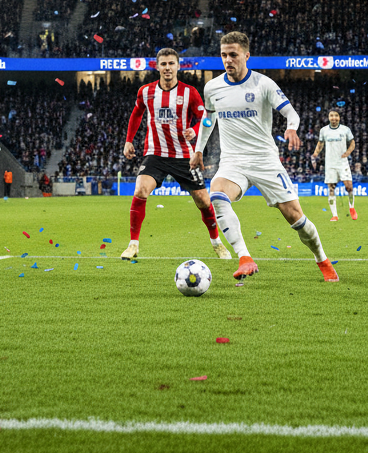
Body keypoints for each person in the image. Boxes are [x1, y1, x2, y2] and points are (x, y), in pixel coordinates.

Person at [191, 31, 339, 282]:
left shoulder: (264, 84)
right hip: (233, 160)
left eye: (233, 55)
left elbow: (291, 113)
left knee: (295, 216)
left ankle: (322, 259)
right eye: (224, 55)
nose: (228, 60)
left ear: (247, 56)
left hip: (264, 160)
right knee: (216, 195)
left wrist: (291, 127)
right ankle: (244, 258)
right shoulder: (212, 87)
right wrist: (198, 148)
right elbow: (209, 118)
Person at [121, 48, 230, 261]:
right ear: (157, 67)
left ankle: (217, 243)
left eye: (171, 63)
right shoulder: (146, 91)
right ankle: (133, 244)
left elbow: (206, 119)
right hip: (155, 154)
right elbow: (136, 114)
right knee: (141, 189)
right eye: (163, 64)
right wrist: (128, 140)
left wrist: (195, 130)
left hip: (183, 156)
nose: (167, 68)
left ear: (178, 66)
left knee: (203, 201)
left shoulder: (190, 93)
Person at [313, 109, 356, 221]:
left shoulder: (345, 129)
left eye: (336, 115)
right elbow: (320, 144)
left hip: (342, 163)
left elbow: (352, 143)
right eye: (331, 115)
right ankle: (335, 215)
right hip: (330, 164)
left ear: (339, 117)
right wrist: (315, 155)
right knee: (331, 188)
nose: (334, 118)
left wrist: (348, 152)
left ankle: (352, 208)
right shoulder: (324, 130)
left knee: (349, 187)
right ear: (329, 117)